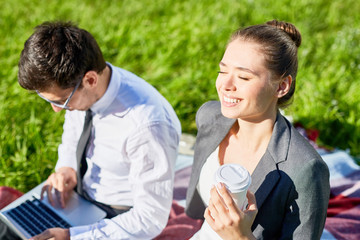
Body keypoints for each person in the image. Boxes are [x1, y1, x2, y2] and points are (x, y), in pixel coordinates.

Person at [17, 21, 181, 239]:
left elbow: (149, 218)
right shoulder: (85, 83)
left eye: (61, 102)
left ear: (90, 79)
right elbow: (74, 131)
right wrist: (66, 167)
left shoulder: (147, 127)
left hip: (118, 215)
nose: (57, 110)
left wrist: (74, 237)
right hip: (79, 197)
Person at [185, 20, 330, 239]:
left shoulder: (306, 169)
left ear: (281, 86)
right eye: (222, 71)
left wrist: (240, 236)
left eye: (243, 77)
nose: (225, 85)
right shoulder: (209, 117)